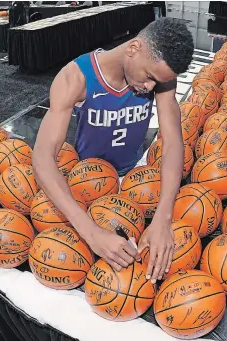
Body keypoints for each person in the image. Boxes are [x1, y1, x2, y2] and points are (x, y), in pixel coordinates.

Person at [32, 18, 194, 283]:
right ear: (133, 49)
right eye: (150, 78)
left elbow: (174, 141)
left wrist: (163, 218)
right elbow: (41, 157)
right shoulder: (75, 77)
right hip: (87, 182)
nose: (151, 87)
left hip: (133, 178)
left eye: (158, 82)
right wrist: (90, 231)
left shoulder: (161, 78)